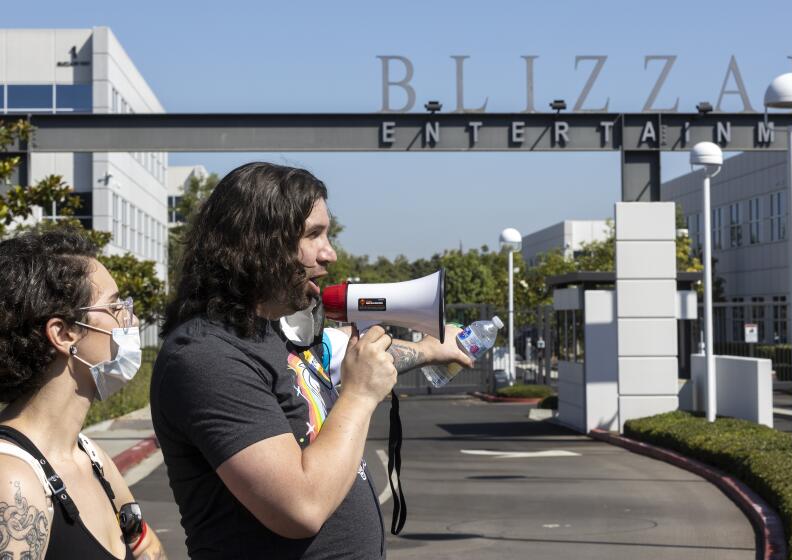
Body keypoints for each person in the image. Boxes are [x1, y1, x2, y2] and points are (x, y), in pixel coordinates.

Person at [152, 162, 471, 559]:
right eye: (313, 235)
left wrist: (428, 350)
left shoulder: (272, 333)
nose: (330, 253)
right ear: (257, 243)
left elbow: (358, 361)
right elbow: (300, 508)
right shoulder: (206, 355)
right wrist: (358, 396)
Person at [0, 229, 167, 560]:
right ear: (63, 334)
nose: (130, 319)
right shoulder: (12, 479)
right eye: (115, 307)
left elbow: (148, 548)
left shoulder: (90, 456)